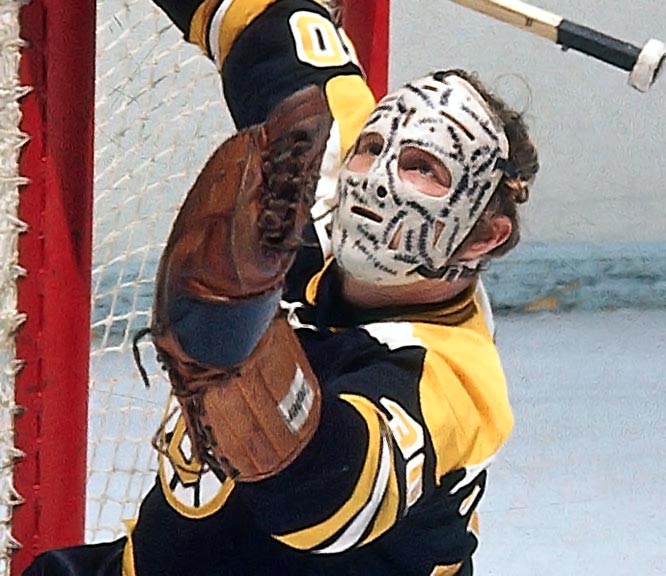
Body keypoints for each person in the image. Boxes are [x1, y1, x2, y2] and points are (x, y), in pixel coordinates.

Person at [24, 0, 539, 574]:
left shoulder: (455, 380)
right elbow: (264, 16)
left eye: (423, 169)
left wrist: (233, 361)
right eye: (373, 148)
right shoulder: (325, 157)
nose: (377, 181)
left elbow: (321, 501)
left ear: (484, 237)